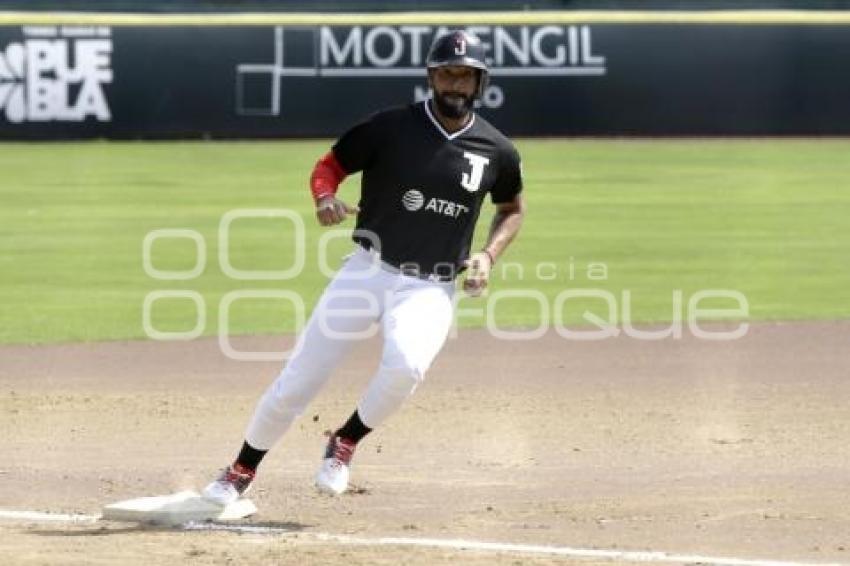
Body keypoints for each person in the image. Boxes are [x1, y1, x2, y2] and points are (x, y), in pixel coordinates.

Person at [203, 30, 525, 504]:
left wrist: (488, 255)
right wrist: (325, 197)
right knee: (300, 380)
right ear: (432, 77)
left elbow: (511, 208)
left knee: (407, 368)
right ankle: (240, 470)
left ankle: (345, 439)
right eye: (447, 73)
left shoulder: (497, 150)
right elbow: (328, 165)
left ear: (480, 82)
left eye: (466, 75)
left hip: (430, 286)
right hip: (367, 271)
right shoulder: (389, 127)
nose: (455, 83)